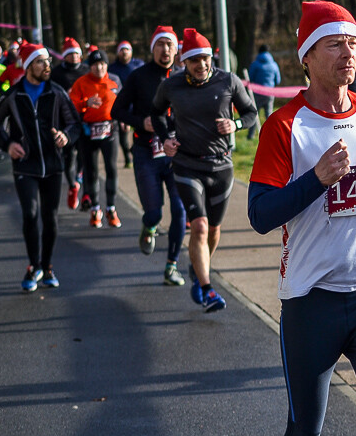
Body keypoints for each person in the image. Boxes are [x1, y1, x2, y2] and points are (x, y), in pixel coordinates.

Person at [247, 0, 356, 436]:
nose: (348, 53)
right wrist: (316, 179)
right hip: (310, 298)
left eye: (353, 43)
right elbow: (259, 215)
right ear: (307, 57)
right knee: (305, 431)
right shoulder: (285, 126)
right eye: (335, 44)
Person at [151, 28, 257, 312]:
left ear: (212, 58)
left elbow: (251, 114)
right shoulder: (172, 86)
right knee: (198, 225)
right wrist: (166, 138)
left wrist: (234, 124)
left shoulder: (228, 81)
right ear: (184, 62)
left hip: (221, 164)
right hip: (187, 163)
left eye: (205, 58)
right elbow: (157, 113)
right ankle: (209, 289)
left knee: (213, 230)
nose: (201, 65)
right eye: (194, 60)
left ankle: (198, 271)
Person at [0, 42, 81, 291]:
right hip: (25, 166)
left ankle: (48, 266)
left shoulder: (57, 92)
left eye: (48, 61)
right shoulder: (13, 95)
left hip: (53, 165)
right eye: (41, 62)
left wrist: (66, 137)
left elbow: (75, 124)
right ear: (29, 65)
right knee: (30, 215)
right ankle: (33, 266)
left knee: (50, 218)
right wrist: (7, 145)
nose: (47, 66)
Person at [111, 26, 188, 286]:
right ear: (152, 48)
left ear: (176, 49)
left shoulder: (183, 76)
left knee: (180, 210)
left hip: (176, 154)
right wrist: (139, 122)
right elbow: (116, 110)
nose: (165, 50)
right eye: (160, 45)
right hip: (146, 152)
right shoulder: (138, 76)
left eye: (169, 45)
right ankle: (149, 226)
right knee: (154, 212)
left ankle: (171, 266)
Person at [68, 50, 123, 229]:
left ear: (107, 65)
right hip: (88, 132)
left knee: (111, 169)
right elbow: (70, 105)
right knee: (91, 171)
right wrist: (85, 103)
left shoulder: (114, 80)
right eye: (95, 65)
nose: (99, 68)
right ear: (90, 66)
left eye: (102, 64)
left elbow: (123, 102)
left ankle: (111, 209)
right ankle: (95, 209)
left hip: (109, 131)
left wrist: (124, 119)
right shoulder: (81, 83)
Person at [51, 37, 89, 211]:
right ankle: (73, 185)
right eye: (70, 54)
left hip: (84, 118)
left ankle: (79, 178)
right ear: (64, 56)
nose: (74, 57)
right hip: (64, 120)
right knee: (68, 156)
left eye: (76, 54)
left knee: (83, 154)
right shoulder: (56, 73)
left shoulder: (86, 70)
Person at [108, 40, 144, 168]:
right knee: (123, 136)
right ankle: (128, 157)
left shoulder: (139, 65)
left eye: (127, 49)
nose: (124, 52)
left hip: (138, 106)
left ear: (131, 52)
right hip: (122, 105)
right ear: (118, 53)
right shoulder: (112, 68)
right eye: (121, 50)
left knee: (140, 132)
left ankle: (136, 151)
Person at [247, 44, 282, 137]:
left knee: (254, 114)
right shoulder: (274, 64)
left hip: (257, 92)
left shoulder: (255, 64)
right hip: (270, 92)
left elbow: (251, 78)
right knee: (269, 115)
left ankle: (251, 135)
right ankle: (271, 135)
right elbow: (278, 80)